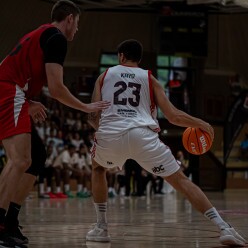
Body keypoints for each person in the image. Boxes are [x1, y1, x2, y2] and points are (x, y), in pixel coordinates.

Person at [86, 39, 246, 246]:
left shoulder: (104, 75)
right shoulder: (150, 78)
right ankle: (224, 227)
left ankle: (101, 227)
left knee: (98, 169)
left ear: (121, 56)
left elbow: (92, 117)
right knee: (182, 181)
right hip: (143, 135)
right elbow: (173, 117)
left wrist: (107, 138)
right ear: (139, 59)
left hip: (110, 133)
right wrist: (201, 123)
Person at [0, 0, 110, 247]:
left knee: (36, 157)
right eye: (77, 23)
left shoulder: (41, 34)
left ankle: (10, 220)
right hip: (8, 91)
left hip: (13, 91)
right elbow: (57, 89)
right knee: (19, 160)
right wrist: (87, 107)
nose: (77, 30)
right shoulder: (57, 38)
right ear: (69, 18)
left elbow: (15, 70)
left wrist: (27, 102)